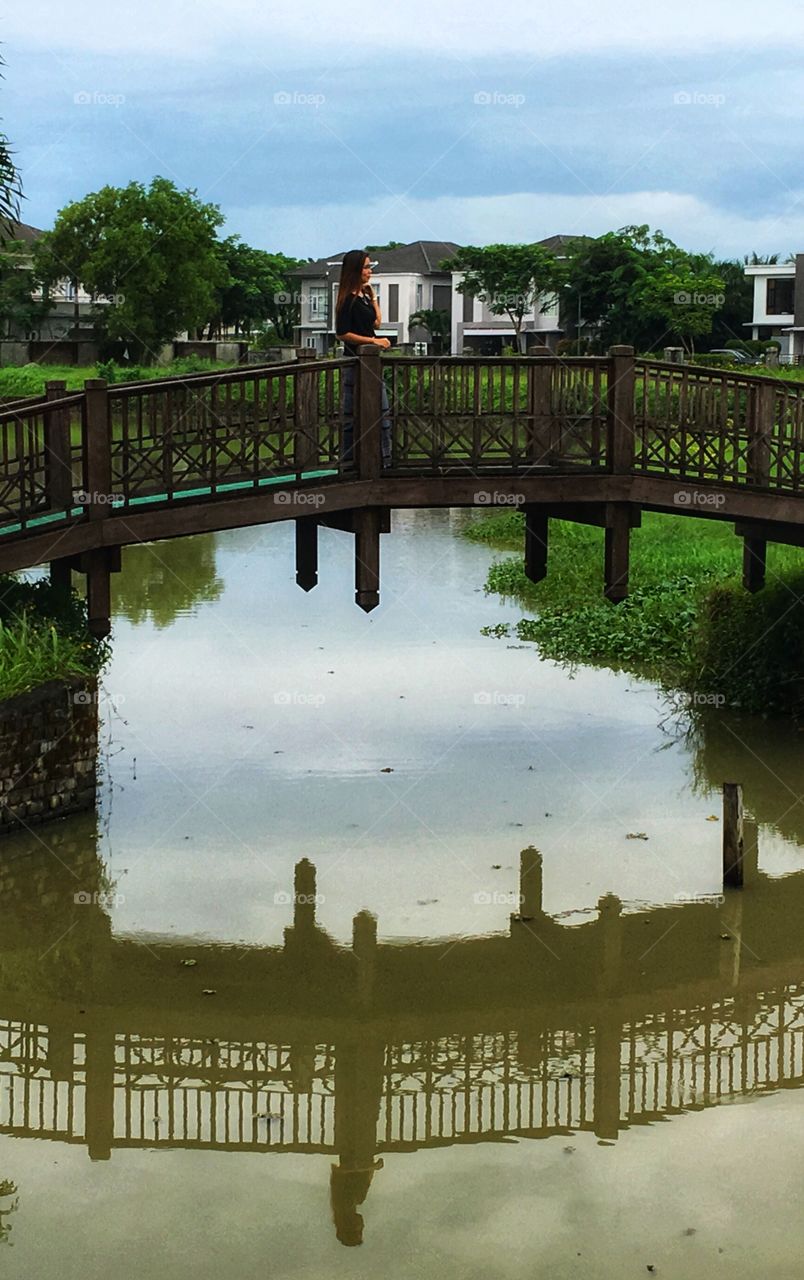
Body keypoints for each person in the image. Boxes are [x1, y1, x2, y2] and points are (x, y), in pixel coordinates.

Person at [335, 249, 393, 467]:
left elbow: (376, 324)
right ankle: (350, 461)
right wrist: (373, 342)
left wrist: (373, 298)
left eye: (370, 267)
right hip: (354, 363)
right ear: (355, 270)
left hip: (372, 364)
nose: (370, 271)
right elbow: (342, 333)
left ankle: (383, 459)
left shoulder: (363, 297)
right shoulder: (346, 299)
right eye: (366, 267)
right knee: (353, 415)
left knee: (382, 412)